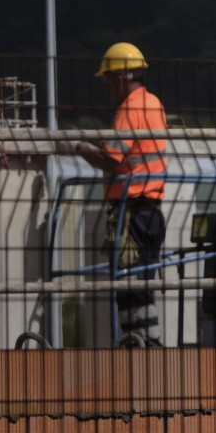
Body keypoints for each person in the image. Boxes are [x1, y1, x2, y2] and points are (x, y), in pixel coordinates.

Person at [74, 42, 168, 347]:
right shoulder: (154, 103)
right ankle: (146, 346)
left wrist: (78, 149)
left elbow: (113, 161)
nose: (106, 89)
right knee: (142, 284)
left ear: (117, 79)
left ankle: (141, 349)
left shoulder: (128, 110)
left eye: (106, 81)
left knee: (130, 288)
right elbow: (130, 151)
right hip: (153, 210)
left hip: (132, 213)